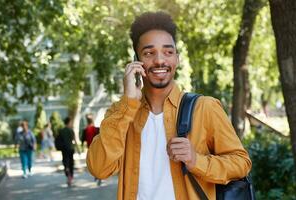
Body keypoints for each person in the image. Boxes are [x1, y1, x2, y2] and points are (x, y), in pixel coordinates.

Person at [87, 11, 252, 200]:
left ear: (177, 59)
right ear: (136, 61)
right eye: (149, 53)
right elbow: (98, 168)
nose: (159, 60)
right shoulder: (121, 114)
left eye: (168, 52)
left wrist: (196, 160)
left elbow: (241, 162)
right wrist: (128, 103)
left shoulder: (205, 108)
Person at [81, 114, 102, 186]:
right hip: (97, 148)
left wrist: (81, 148)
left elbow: (82, 139)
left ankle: (96, 175)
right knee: (98, 162)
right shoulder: (97, 129)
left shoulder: (85, 130)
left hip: (90, 149)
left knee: (92, 163)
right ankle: (99, 176)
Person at [57, 117, 77, 187]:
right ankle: (70, 177)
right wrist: (78, 148)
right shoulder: (71, 130)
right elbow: (74, 140)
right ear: (69, 122)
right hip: (70, 149)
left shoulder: (61, 130)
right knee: (71, 162)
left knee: (65, 162)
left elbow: (58, 139)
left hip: (64, 149)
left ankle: (67, 171)